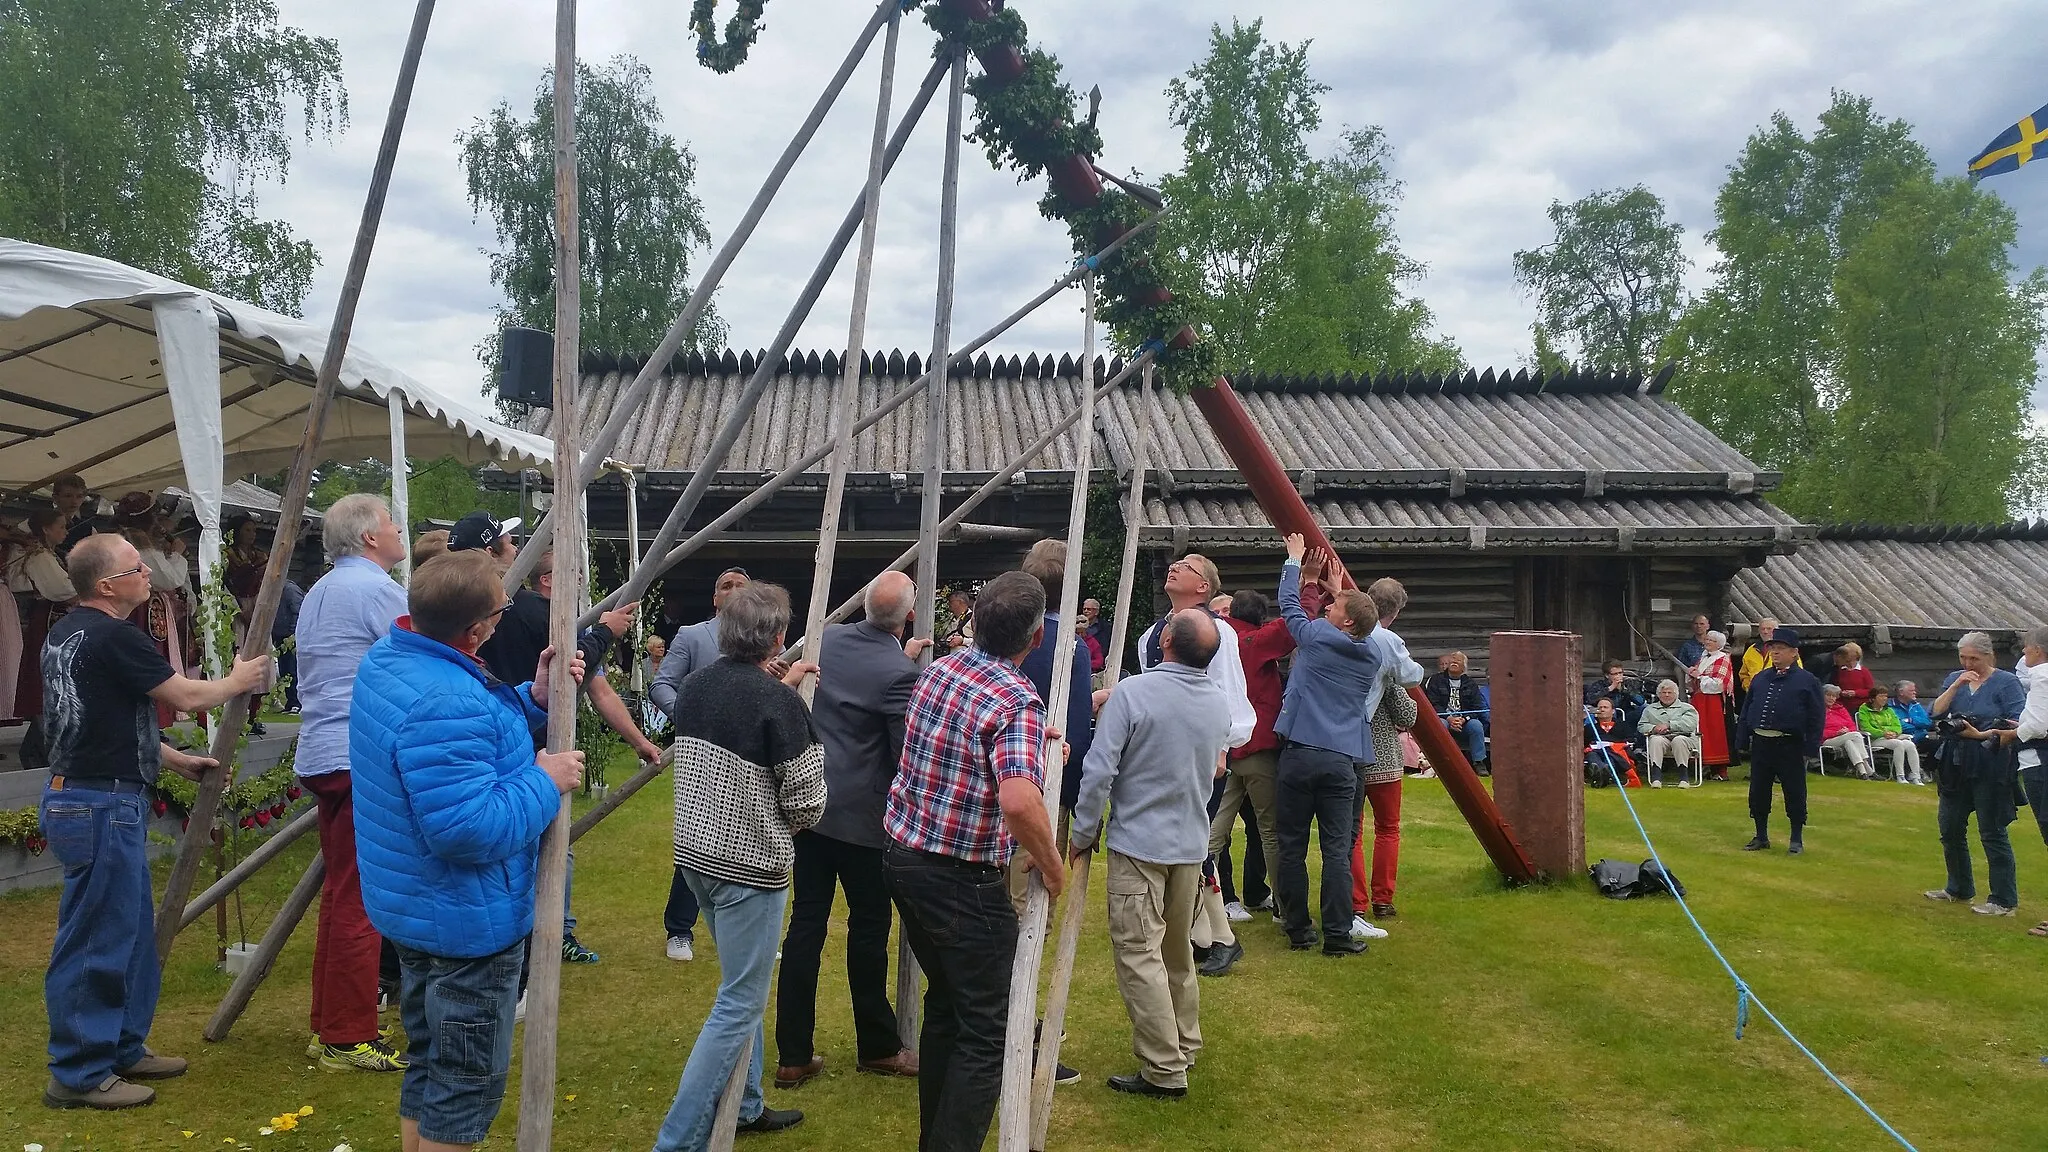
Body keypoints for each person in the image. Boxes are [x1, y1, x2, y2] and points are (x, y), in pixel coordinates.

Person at [350, 548, 586, 1151]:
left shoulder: (393, 658)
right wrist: (545, 779)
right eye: (499, 612)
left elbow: (467, 745)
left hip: (416, 904)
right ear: (478, 627)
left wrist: (532, 697)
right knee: (464, 1082)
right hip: (463, 920)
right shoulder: (445, 699)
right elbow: (467, 829)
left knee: (429, 1061)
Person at [37, 536, 271, 1112]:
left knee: (129, 932)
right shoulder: (115, 636)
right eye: (135, 567)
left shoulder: (67, 632)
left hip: (89, 796)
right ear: (106, 585)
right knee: (97, 939)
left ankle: (119, 1046)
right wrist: (238, 680)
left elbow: (103, 719)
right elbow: (187, 696)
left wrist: (171, 758)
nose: (147, 573)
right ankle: (78, 1071)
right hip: (99, 804)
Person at [883, 570, 1065, 1152]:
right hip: (959, 878)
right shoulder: (1016, 702)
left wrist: (1033, 738)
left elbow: (967, 739)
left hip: (905, 856)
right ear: (1036, 638)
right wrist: (1053, 864)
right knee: (991, 1027)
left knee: (949, 1006)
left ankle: (931, 1139)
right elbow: (1017, 799)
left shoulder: (941, 670)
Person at [655, 582, 825, 1148]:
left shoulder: (697, 686)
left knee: (742, 985)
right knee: (739, 1002)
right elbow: (806, 800)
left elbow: (733, 720)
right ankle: (676, 1142)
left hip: (696, 856)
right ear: (779, 639)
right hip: (748, 866)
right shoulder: (779, 702)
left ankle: (746, 1104)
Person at [1069, 608, 1229, 1099]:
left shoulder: (1133, 694)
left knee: (1140, 956)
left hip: (1141, 845)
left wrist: (1081, 832)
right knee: (1175, 953)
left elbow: (1099, 769)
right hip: (1189, 846)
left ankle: (1164, 1068)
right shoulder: (1217, 702)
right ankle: (1183, 1045)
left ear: (1164, 643)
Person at [774, 572, 923, 1090]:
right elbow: (905, 752)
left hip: (810, 807)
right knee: (867, 932)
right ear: (908, 617)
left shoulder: (827, 640)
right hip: (863, 821)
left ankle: (792, 1052)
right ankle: (878, 1045)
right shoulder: (897, 673)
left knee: (805, 927)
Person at [478, 541, 657, 964]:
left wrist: (641, 741)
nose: (579, 583)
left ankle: (545, 931)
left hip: (501, 739)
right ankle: (552, 933)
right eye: (571, 576)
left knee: (521, 844)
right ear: (547, 580)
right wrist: (604, 631)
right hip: (534, 746)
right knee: (551, 843)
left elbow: (598, 689)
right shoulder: (548, 622)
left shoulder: (504, 614)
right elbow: (586, 671)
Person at [293, 494, 412, 1073]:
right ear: (369, 537)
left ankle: (332, 1023)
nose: (399, 530)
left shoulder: (320, 590)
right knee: (362, 898)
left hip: (323, 748)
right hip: (356, 752)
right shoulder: (375, 590)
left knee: (343, 893)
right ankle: (347, 1034)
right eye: (391, 523)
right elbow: (421, 650)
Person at [1133, 552, 1254, 973]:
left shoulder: (1217, 631)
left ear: (1204, 587)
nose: (1174, 567)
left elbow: (1227, 692)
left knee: (1193, 842)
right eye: (1175, 563)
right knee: (1175, 840)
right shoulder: (1152, 632)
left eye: (1187, 566)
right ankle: (1196, 930)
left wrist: (1221, 748)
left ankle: (1218, 935)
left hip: (1202, 754)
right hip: (1163, 752)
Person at [1271, 533, 1383, 956]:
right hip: (1342, 760)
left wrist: (1294, 564)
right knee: (1338, 849)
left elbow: (1289, 608)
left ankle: (1299, 930)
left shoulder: (1317, 635)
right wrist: (1340, 592)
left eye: (1334, 605)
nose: (1328, 605)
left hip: (1300, 754)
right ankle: (1337, 936)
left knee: (1292, 845)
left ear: (1345, 620)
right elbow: (1360, 627)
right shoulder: (1371, 654)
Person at [650, 566, 753, 963]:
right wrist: (689, 718)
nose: (733, 591)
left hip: (752, 758)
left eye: (741, 586)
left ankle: (745, 932)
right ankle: (680, 929)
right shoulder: (694, 636)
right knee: (698, 843)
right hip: (704, 759)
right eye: (725, 585)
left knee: (749, 844)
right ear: (715, 598)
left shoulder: (766, 642)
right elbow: (662, 683)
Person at [1922, 631, 2027, 916]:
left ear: (1989, 655)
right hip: (1954, 762)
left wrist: (1981, 731)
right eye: (1963, 657)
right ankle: (1958, 887)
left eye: (1974, 658)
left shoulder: (2006, 682)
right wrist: (1956, 685)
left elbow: (2018, 723)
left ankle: (2003, 900)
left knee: (1992, 832)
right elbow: (1935, 713)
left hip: (1990, 761)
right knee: (1950, 828)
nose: (1968, 663)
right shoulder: (1956, 678)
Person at [1356, 576, 1425, 925]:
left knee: (1351, 830)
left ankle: (1355, 902)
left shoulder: (1345, 634)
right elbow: (1408, 708)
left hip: (1347, 746)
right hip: (1381, 754)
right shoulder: (1387, 643)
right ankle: (1382, 899)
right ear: (1395, 612)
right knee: (1388, 828)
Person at [1736, 626, 1825, 855]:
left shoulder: (1807, 681)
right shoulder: (1760, 678)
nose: (1775, 653)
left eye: (1780, 649)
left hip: (1790, 744)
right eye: (1773, 648)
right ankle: (1761, 835)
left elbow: (1816, 716)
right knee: (1758, 790)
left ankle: (1796, 838)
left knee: (1794, 791)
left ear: (1794, 653)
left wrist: (1810, 747)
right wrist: (1742, 738)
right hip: (1762, 744)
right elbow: (1748, 709)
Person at [1998, 629, 2048, 935]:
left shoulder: (2042, 674)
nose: (2024, 655)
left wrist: (2013, 733)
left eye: (2026, 649)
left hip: (2041, 761)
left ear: (2038, 650)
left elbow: (2040, 725)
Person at [1423, 650, 1488, 772]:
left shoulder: (1470, 684)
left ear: (1464, 667)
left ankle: (1479, 762)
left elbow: (1477, 707)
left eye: (1458, 661)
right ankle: (1440, 762)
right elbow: (1432, 703)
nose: (1454, 662)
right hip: (1444, 717)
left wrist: (1464, 719)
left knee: (1476, 725)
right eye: (1452, 660)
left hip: (1464, 721)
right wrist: (1450, 718)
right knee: (1440, 724)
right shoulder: (1436, 681)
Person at [1687, 630, 1735, 778]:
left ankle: (1719, 768)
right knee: (1700, 731)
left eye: (1711, 640)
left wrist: (1699, 677)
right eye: (1707, 639)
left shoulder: (1723, 659)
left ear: (1718, 644)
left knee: (1715, 733)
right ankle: (1702, 764)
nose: (1707, 642)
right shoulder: (1702, 658)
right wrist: (1691, 675)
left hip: (1713, 702)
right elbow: (1694, 680)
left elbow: (1720, 684)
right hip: (1699, 700)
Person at [1859, 684, 1924, 786]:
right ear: (1872, 698)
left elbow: (1897, 725)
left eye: (1885, 696)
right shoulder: (1864, 709)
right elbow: (1866, 727)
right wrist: (1883, 733)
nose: (1884, 699)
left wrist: (1894, 733)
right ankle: (1900, 776)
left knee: (1910, 745)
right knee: (1898, 744)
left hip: (1892, 737)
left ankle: (1916, 776)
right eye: (1881, 696)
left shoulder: (1889, 710)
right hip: (1876, 738)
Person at [1639, 680, 1699, 788]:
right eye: (1663, 692)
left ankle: (1684, 779)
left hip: (1685, 738)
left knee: (1678, 740)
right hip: (1661, 738)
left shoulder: (1687, 708)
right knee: (1655, 740)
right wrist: (1653, 728)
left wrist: (1669, 725)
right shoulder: (1650, 709)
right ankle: (1656, 778)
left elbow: (1690, 725)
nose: (1666, 695)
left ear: (1676, 694)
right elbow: (1641, 726)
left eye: (1669, 692)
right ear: (1658, 695)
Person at [1583, 698, 1641, 786]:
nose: (1602, 709)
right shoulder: (1589, 727)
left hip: (1615, 753)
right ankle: (1602, 770)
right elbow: (1584, 743)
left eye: (1605, 707)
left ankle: (1605, 775)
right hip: (1595, 752)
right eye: (1600, 708)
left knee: (1610, 756)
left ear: (1613, 711)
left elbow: (1630, 740)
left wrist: (1612, 744)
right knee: (1592, 755)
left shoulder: (1623, 725)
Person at [1820, 684, 1873, 778]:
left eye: (1834, 696)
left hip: (1846, 737)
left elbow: (1852, 726)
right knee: (1856, 735)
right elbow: (1818, 731)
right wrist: (1836, 733)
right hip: (1828, 740)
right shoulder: (1818, 710)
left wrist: (1847, 730)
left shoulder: (1841, 709)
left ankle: (1863, 772)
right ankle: (1868, 767)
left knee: (1849, 742)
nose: (1831, 698)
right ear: (1822, 695)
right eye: (1828, 695)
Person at [1584, 660, 1645, 727]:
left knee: (1645, 707)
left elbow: (1641, 701)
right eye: (1615, 674)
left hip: (1626, 715)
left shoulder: (1628, 684)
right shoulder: (1599, 685)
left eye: (1620, 673)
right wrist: (1610, 688)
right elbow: (1590, 699)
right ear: (1607, 675)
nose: (1619, 676)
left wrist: (1623, 690)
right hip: (1607, 716)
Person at [1893, 680, 1934, 752]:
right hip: (1903, 739)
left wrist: (1911, 720)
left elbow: (1928, 722)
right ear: (1901, 692)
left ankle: (1928, 764)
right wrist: (1918, 727)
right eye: (1911, 690)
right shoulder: (1891, 708)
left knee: (1939, 746)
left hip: (1921, 739)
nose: (1914, 692)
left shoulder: (1916, 705)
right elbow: (1900, 726)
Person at [1832, 642, 1875, 711]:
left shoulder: (1864, 671)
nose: (1849, 662)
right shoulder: (1839, 671)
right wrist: (1841, 692)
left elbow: (1870, 691)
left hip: (1861, 707)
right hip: (1842, 707)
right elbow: (1834, 687)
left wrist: (1855, 693)